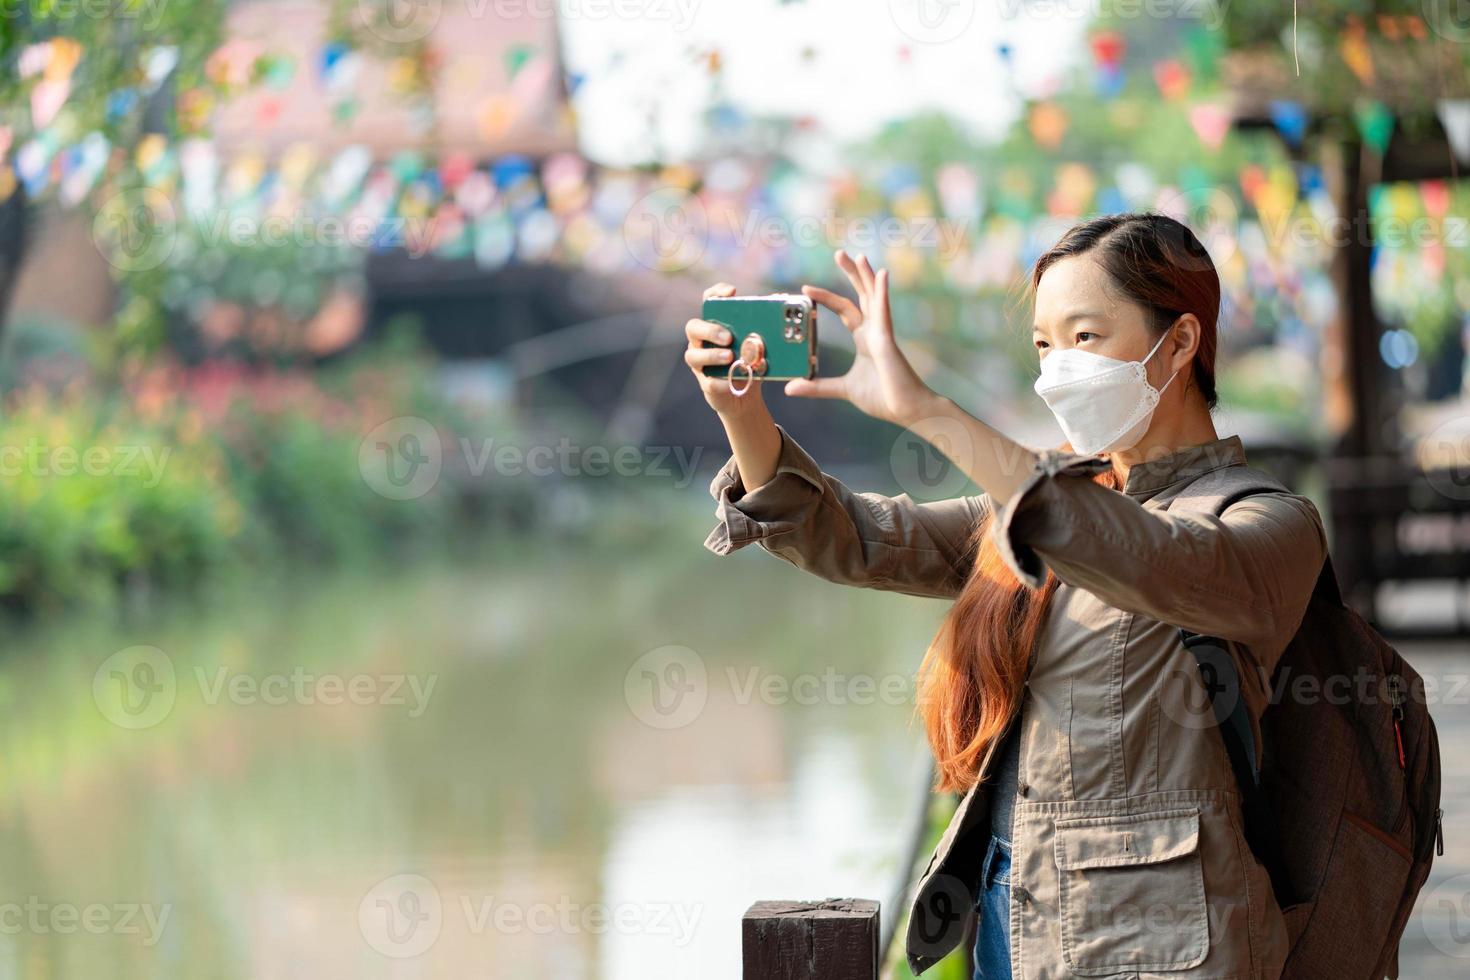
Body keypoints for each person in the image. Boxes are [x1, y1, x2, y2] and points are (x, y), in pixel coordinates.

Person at [684, 213, 1327, 978]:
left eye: (1085, 338)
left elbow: (1148, 557)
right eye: (1045, 346)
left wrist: (927, 411)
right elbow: (857, 537)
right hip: (1007, 916)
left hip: (1159, 945)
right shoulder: (1047, 504)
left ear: (1182, 342)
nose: (1059, 370)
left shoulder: (1265, 524)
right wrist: (742, 415)